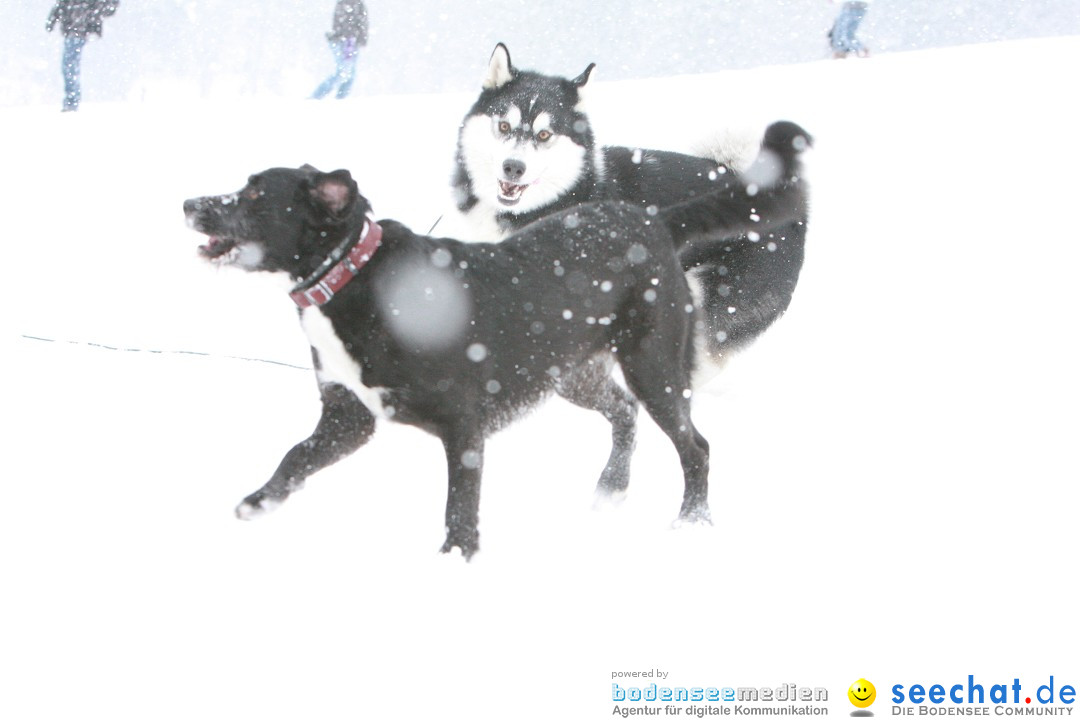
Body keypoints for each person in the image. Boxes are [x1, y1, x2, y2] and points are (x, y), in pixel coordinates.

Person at [46, 0, 119, 112]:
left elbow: (61, 6)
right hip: (78, 30)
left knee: (69, 66)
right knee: (70, 66)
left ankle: (72, 100)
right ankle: (72, 99)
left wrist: (53, 19)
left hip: (78, 30)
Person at [312, 0, 369, 100]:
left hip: (350, 42)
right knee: (343, 73)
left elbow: (361, 23)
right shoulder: (348, 4)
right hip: (345, 41)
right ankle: (317, 97)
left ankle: (339, 99)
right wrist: (353, 38)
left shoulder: (356, 4)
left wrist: (359, 39)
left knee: (349, 74)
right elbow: (347, 24)